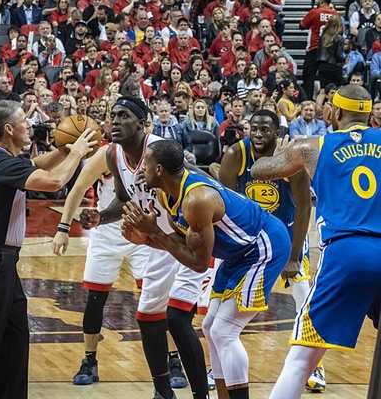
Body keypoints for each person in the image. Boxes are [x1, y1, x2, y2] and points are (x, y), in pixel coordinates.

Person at [0, 100, 98, 399]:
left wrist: (64, 150)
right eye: (23, 121)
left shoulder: (3, 157)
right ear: (8, 129)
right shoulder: (1, 161)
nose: (29, 125)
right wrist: (76, 153)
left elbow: (39, 165)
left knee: (13, 342)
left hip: (0, 262)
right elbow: (53, 181)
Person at [120, 138, 291, 399]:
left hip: (263, 245)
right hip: (239, 252)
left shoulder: (196, 199)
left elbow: (199, 264)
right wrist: (146, 239)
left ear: (159, 170)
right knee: (212, 327)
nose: (141, 167)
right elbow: (182, 243)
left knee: (225, 330)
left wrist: (154, 232)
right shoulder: (169, 194)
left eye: (147, 163)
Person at [252, 84, 381, 399]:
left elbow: (259, 170)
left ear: (335, 112)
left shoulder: (314, 146)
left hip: (345, 252)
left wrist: (283, 151)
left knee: (300, 362)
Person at [79, 97, 209, 399]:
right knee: (148, 315)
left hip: (191, 238)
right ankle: (164, 393)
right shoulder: (113, 155)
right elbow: (125, 199)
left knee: (178, 319)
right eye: (113, 116)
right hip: (162, 244)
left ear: (142, 122)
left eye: (124, 116)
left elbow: (202, 180)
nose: (115, 121)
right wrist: (100, 216)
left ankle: (202, 391)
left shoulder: (160, 148)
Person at [218, 109, 326, 391]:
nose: (258, 134)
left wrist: (293, 256)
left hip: (289, 233)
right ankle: (218, 366)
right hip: (252, 237)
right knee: (218, 300)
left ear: (277, 134)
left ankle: (316, 367)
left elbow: (304, 208)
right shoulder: (235, 156)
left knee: (303, 296)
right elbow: (228, 205)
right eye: (254, 129)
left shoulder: (291, 160)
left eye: (265, 130)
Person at [51, 143, 152, 386]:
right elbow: (78, 188)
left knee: (155, 300)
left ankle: (171, 359)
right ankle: (89, 360)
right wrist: (63, 228)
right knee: (95, 299)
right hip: (106, 232)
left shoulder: (155, 149)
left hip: (144, 233)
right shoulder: (108, 154)